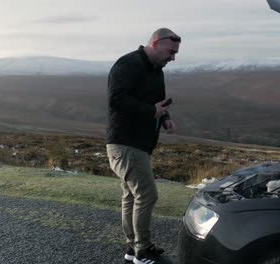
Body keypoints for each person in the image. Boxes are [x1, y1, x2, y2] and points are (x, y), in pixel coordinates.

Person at [106, 28, 180, 264]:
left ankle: (132, 248)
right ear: (155, 44)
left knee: (131, 196)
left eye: (175, 53)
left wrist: (164, 117)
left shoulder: (156, 70)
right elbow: (116, 99)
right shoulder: (128, 64)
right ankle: (142, 251)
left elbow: (156, 102)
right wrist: (151, 111)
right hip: (125, 143)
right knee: (147, 194)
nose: (173, 57)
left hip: (139, 144)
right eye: (170, 52)